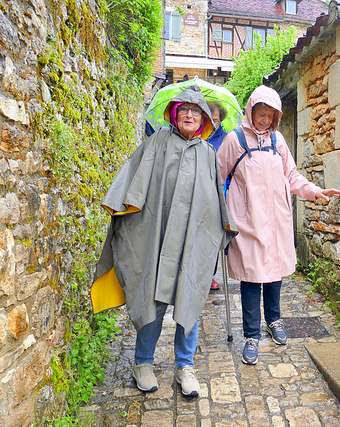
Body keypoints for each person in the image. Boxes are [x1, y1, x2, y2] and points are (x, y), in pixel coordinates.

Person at [91, 85, 237, 396]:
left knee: (191, 297)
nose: (189, 114)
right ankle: (143, 362)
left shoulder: (208, 153)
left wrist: (219, 231)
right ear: (173, 113)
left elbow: (215, 199)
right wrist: (122, 210)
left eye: (195, 111)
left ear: (204, 120)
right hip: (155, 236)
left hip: (191, 238)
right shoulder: (157, 142)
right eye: (183, 109)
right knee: (152, 299)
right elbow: (134, 179)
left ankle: (185, 366)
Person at [216, 85, 340, 365]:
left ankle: (274, 321)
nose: (264, 120)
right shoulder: (234, 140)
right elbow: (216, 177)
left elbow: (293, 176)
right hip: (247, 223)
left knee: (274, 274)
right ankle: (251, 335)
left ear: (276, 116)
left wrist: (315, 192)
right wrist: (218, 213)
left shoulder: (278, 141)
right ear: (250, 112)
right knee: (251, 278)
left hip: (276, 222)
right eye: (260, 114)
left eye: (269, 115)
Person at [206, 101, 229, 290]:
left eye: (216, 120)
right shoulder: (198, 135)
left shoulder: (226, 139)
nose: (213, 124)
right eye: (210, 120)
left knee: (212, 240)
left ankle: (210, 275)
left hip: (218, 193)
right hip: (197, 193)